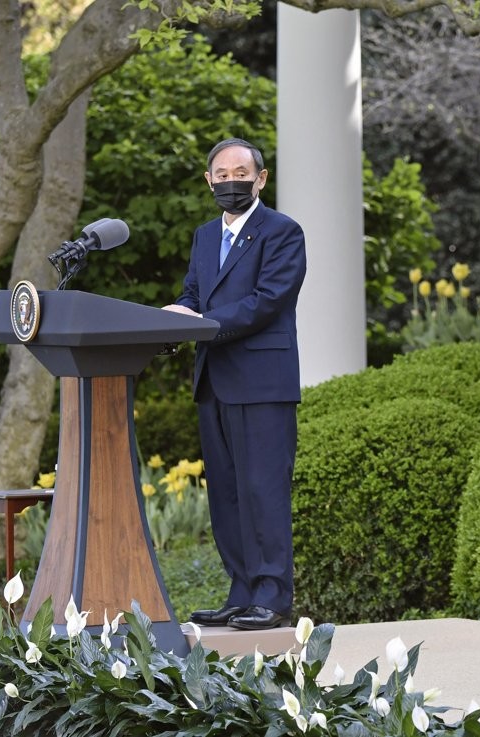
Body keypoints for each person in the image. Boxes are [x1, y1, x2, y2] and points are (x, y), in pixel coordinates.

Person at [163, 137, 306, 631]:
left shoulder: (283, 232)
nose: (230, 182)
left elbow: (267, 301)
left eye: (239, 173)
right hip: (214, 382)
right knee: (225, 494)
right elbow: (193, 292)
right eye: (220, 175)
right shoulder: (205, 236)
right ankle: (241, 592)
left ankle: (273, 596)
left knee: (264, 489)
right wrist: (174, 319)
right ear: (208, 181)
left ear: (261, 178)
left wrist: (200, 322)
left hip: (263, 383)